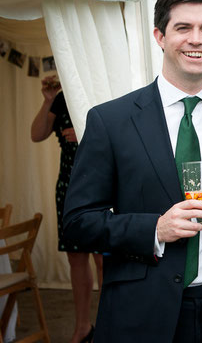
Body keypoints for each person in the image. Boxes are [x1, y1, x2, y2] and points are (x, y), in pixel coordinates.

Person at [63, 0, 202, 343]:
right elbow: (77, 223)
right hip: (140, 312)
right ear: (159, 35)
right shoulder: (112, 121)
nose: (196, 39)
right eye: (183, 28)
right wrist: (153, 230)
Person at [31, 75, 102, 343]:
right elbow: (36, 134)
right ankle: (82, 326)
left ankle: (107, 325)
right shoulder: (60, 99)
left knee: (103, 256)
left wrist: (84, 133)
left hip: (100, 183)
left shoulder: (98, 90)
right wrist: (48, 100)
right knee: (76, 256)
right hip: (69, 186)